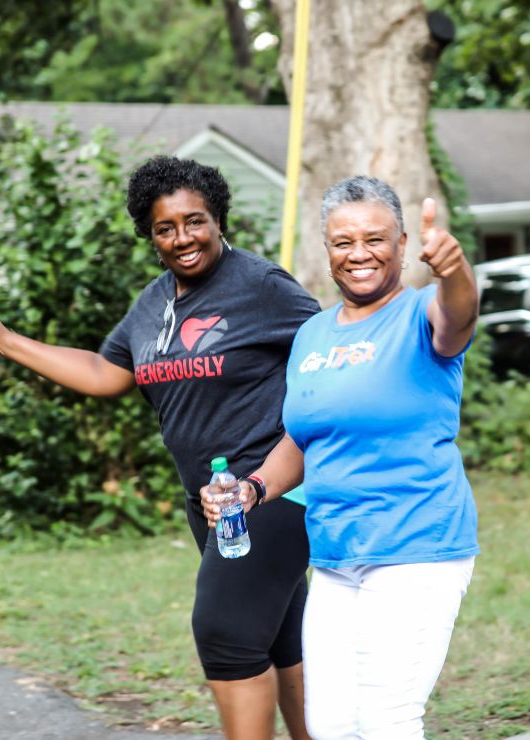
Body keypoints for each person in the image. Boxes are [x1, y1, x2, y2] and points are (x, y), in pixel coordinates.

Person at [0, 156, 319, 740]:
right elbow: (107, 371)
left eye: (195, 221)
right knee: (280, 638)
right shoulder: (154, 302)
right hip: (202, 502)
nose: (183, 238)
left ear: (218, 219)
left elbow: (329, 347)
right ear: (148, 234)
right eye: (165, 227)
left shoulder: (261, 286)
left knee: (226, 633)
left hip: (267, 492)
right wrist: (3, 340)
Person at [204, 175, 480, 738]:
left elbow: (459, 315)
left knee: (387, 721)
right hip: (334, 556)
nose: (359, 254)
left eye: (375, 239)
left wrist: (454, 271)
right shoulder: (312, 335)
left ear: (403, 243)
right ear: (326, 249)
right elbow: (303, 440)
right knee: (328, 726)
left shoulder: (423, 313)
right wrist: (252, 489)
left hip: (415, 548)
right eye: (342, 242)